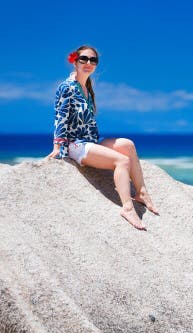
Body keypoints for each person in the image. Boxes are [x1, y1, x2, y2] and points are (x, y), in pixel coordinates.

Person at [47, 45, 159, 230]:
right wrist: (58, 147)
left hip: (91, 142)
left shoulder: (87, 88)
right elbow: (60, 116)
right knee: (122, 161)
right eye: (84, 58)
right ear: (75, 61)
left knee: (128, 145)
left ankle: (141, 193)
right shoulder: (66, 87)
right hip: (76, 145)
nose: (88, 63)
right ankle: (128, 208)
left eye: (93, 60)